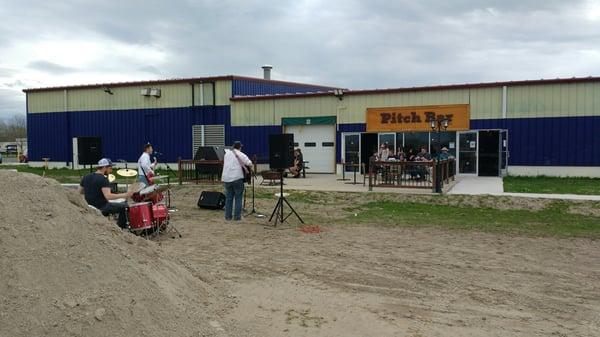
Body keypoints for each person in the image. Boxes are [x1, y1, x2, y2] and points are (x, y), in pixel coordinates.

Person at [79, 158, 133, 228]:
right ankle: (120, 229)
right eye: (110, 168)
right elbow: (108, 196)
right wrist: (125, 195)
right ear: (105, 167)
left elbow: (79, 192)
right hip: (102, 207)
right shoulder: (103, 179)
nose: (111, 170)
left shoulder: (86, 177)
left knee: (119, 204)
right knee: (125, 206)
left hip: (89, 206)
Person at [221, 141, 253, 221]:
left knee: (229, 198)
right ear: (240, 147)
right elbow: (249, 163)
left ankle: (228, 217)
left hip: (226, 178)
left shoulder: (226, 154)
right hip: (237, 178)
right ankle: (237, 217)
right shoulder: (241, 154)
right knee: (238, 198)